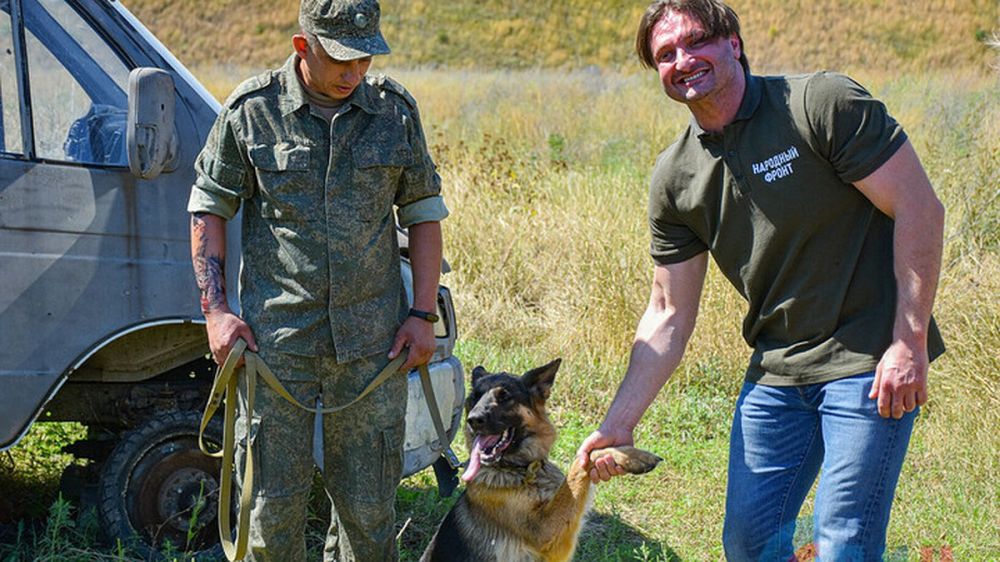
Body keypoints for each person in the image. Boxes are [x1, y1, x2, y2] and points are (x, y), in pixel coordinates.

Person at [576, 1, 945, 560]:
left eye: (696, 41)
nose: (683, 61)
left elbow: (919, 208)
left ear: (734, 42)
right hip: (777, 372)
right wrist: (618, 424)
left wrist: (907, 341)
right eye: (666, 55)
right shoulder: (676, 177)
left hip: (869, 361)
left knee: (844, 536)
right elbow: (668, 313)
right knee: (749, 542)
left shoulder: (819, 104)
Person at [188, 0, 448, 559]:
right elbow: (209, 208)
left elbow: (423, 214)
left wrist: (422, 314)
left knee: (369, 509)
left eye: (365, 61)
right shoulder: (251, 111)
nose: (355, 74)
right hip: (275, 347)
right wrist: (216, 311)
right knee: (269, 507)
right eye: (342, 61)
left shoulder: (394, 112)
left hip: (373, 350)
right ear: (302, 46)